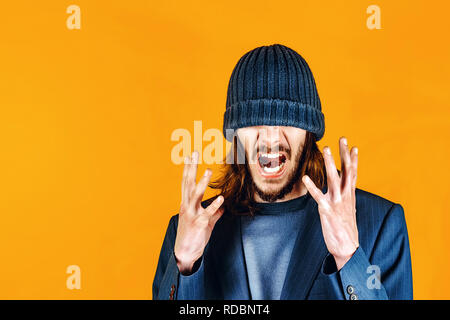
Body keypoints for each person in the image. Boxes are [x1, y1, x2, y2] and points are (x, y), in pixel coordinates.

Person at [153, 44, 413, 300]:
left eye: (286, 120)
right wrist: (185, 265)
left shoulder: (379, 223)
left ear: (309, 131)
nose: (270, 138)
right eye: (253, 120)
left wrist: (348, 257)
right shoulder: (185, 231)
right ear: (234, 133)